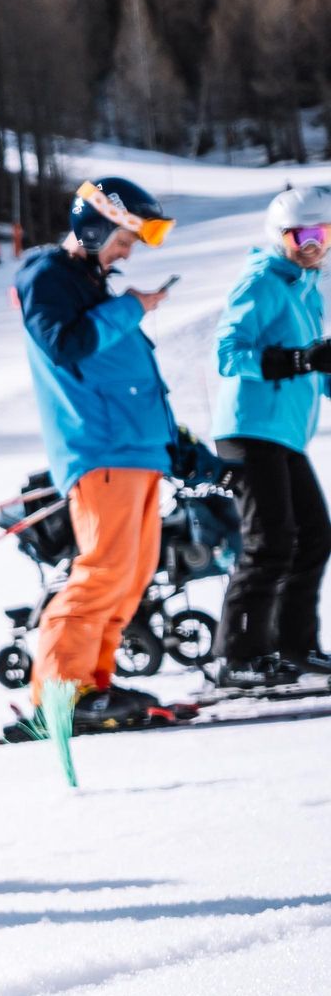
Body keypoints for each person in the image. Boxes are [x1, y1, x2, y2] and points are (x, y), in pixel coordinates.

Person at [14, 177, 185, 747]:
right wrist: (130, 310)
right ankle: (59, 692)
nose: (127, 250)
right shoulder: (46, 276)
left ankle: (92, 685)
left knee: (131, 577)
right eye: (123, 237)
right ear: (93, 224)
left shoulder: (93, 286)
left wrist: (174, 448)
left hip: (135, 451)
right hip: (99, 448)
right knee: (103, 571)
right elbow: (63, 345)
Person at [209, 184, 331, 687]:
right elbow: (228, 352)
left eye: (323, 234)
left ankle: (295, 646)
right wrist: (297, 360)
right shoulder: (261, 280)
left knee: (315, 537)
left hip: (283, 434)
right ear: (279, 235)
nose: (313, 244)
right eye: (302, 235)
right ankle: (238, 656)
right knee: (270, 541)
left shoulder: (307, 286)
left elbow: (318, 367)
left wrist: (316, 366)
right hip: (248, 430)